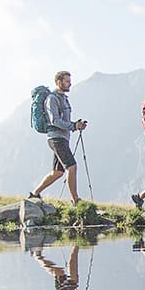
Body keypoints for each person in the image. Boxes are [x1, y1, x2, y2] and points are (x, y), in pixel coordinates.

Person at [31, 70, 88, 202]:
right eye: (67, 81)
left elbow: (64, 121)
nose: (70, 84)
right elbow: (54, 120)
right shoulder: (52, 99)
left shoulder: (64, 99)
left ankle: (34, 194)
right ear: (59, 82)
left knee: (58, 172)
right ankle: (75, 200)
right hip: (56, 138)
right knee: (71, 166)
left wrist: (76, 125)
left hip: (62, 138)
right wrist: (73, 126)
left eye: (70, 81)